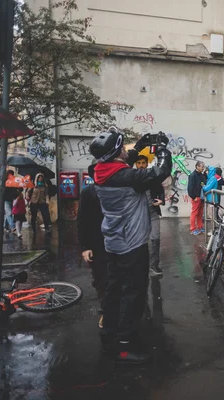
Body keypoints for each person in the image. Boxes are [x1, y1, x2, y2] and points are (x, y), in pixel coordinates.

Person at [89, 127, 171, 363]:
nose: (127, 151)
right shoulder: (128, 179)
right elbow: (160, 171)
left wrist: (140, 145)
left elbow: (125, 161)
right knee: (133, 294)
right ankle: (125, 346)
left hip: (114, 242)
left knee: (114, 290)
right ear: (116, 153)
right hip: (132, 245)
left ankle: (110, 332)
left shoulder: (100, 170)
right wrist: (163, 149)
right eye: (123, 148)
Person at [77, 162, 107, 330]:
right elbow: (81, 220)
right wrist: (85, 247)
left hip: (118, 244)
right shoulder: (88, 192)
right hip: (97, 245)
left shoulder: (115, 190)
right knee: (101, 280)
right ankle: (105, 312)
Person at [135, 155, 165, 277]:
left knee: (155, 238)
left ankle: (154, 265)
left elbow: (160, 190)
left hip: (153, 212)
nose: (141, 165)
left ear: (147, 164)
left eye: (143, 163)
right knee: (139, 240)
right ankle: (139, 265)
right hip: (138, 214)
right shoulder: (131, 178)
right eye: (139, 163)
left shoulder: (152, 178)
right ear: (136, 164)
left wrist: (161, 200)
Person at [187, 161, 207, 235]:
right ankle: (192, 228)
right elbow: (190, 187)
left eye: (203, 167)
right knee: (194, 213)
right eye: (202, 167)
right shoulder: (192, 175)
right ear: (197, 166)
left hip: (201, 197)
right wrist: (193, 196)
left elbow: (204, 182)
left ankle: (200, 227)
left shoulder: (201, 175)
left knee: (200, 213)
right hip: (196, 197)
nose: (203, 168)